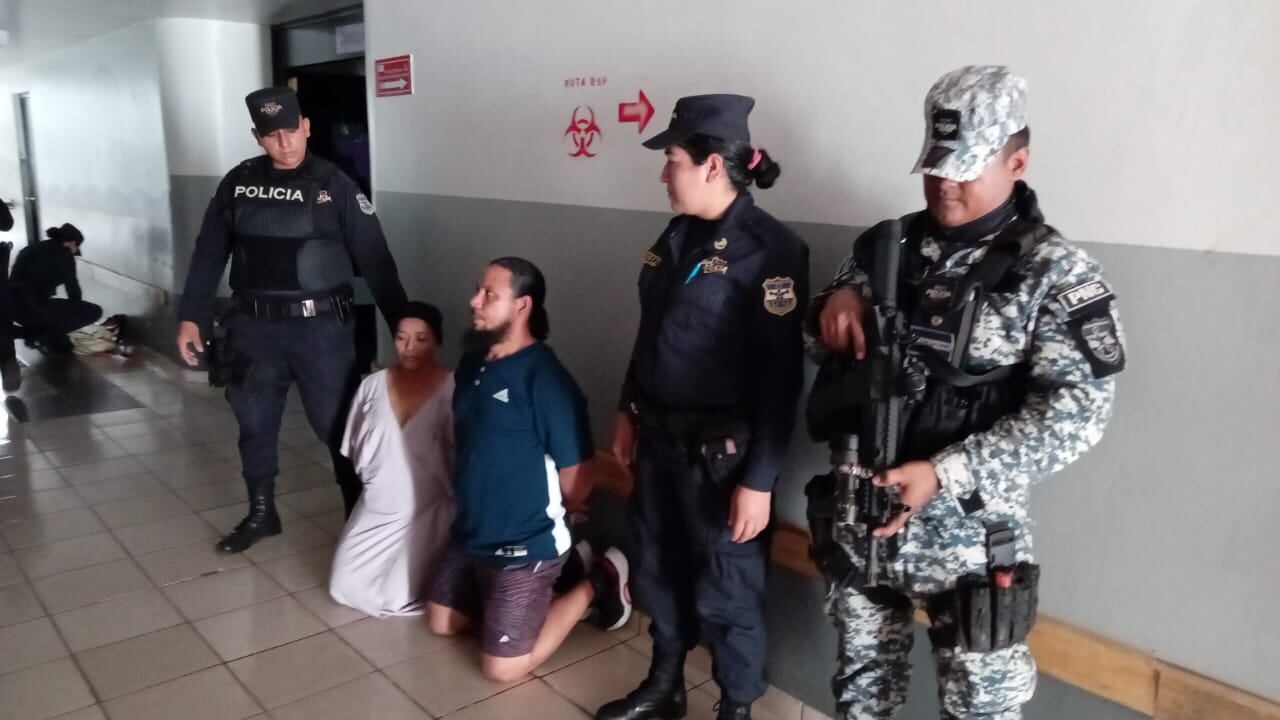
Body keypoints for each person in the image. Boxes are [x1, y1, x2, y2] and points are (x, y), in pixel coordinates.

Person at [809, 66, 1126, 719]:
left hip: (970, 539)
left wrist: (946, 472)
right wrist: (831, 308)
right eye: (936, 165)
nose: (945, 181)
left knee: (980, 707)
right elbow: (827, 350)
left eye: (966, 166)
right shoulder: (883, 247)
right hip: (863, 514)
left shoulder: (1055, 272)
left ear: (1017, 160)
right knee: (861, 694)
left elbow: (1075, 417)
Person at [600, 95, 809, 720]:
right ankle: (666, 684)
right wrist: (627, 408)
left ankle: (735, 708)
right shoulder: (675, 233)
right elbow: (652, 334)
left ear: (713, 166)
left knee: (728, 590)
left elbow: (781, 378)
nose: (664, 174)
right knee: (658, 565)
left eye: (672, 161)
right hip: (659, 440)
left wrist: (759, 481)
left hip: (723, 459)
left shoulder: (770, 250)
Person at [175, 87, 408, 554]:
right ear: (257, 137)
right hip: (254, 329)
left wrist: (405, 327)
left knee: (337, 427)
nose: (284, 143)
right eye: (271, 134)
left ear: (306, 126)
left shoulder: (334, 184)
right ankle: (262, 513)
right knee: (254, 423)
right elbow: (208, 251)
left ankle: (355, 520)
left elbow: (377, 260)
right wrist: (190, 317)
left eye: (291, 130)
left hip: (320, 331)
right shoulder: (237, 183)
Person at [427, 257, 631, 683]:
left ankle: (601, 578)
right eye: (477, 289)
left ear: (522, 306)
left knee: (502, 669)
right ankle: (562, 571)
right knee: (442, 623)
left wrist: (562, 509)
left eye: (489, 294)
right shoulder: (473, 362)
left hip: (525, 541)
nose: (473, 301)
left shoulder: (547, 379)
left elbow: (580, 469)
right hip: (471, 532)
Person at [329, 301, 454, 617]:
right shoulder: (372, 385)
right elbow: (355, 445)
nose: (410, 347)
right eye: (401, 338)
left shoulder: (453, 389)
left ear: (437, 341)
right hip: (379, 501)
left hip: (429, 505)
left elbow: (462, 453)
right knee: (343, 586)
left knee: (394, 596)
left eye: (421, 339)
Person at [9, 223, 103, 355]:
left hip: (15, 311)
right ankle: (43, 336)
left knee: (53, 319)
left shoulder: (30, 249)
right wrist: (77, 309)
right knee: (94, 311)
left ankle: (37, 335)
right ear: (71, 243)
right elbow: (72, 288)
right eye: (77, 246)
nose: (76, 251)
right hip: (36, 310)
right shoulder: (64, 254)